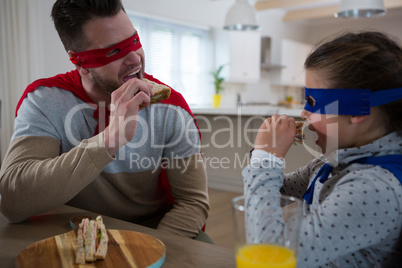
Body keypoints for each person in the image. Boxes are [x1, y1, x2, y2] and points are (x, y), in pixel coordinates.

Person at [0, 0, 210, 241]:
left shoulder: (171, 107)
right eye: (113, 51)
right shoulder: (44, 101)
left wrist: (148, 249)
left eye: (133, 40)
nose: (134, 58)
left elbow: (193, 202)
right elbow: (12, 202)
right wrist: (109, 140)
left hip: (154, 227)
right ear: (80, 61)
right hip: (72, 225)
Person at [243, 31, 402, 267]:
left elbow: (271, 253)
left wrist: (266, 159)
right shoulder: (336, 160)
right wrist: (263, 156)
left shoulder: (373, 187)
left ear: (357, 111)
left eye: (313, 102)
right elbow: (280, 190)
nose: (304, 113)